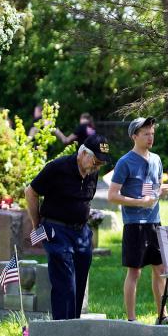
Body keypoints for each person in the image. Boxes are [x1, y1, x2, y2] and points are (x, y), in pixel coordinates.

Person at [24, 135, 112, 320]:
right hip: (56, 229)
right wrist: (36, 224)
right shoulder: (57, 168)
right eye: (95, 161)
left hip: (81, 233)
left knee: (79, 283)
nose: (96, 167)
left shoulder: (93, 173)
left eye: (101, 164)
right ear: (82, 153)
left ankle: (73, 326)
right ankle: (62, 331)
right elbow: (31, 192)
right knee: (65, 284)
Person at [107, 118, 168, 323]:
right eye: (145, 133)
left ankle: (162, 315)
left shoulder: (157, 160)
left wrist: (161, 192)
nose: (150, 137)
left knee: (161, 270)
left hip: (155, 222)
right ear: (134, 136)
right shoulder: (125, 162)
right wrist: (140, 203)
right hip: (135, 225)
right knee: (134, 272)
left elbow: (150, 190)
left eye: (152, 133)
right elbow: (112, 195)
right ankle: (131, 320)